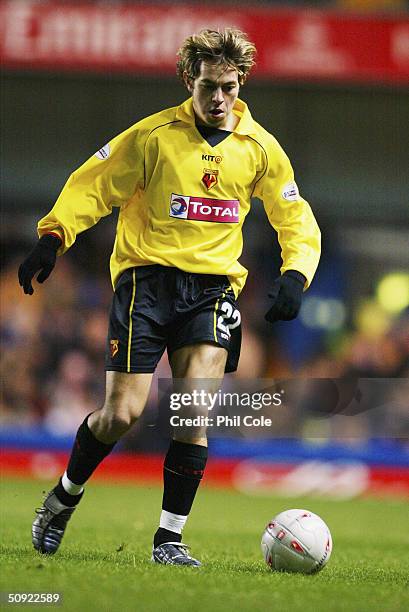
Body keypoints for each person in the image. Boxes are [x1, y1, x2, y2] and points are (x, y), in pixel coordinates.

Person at [18, 28, 321, 566]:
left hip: (213, 290)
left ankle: (169, 540)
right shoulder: (154, 136)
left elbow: (294, 216)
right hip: (147, 283)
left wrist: (296, 273)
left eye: (228, 86)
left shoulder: (260, 148)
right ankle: (64, 496)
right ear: (189, 80)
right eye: (208, 85)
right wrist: (52, 236)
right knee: (122, 414)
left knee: (191, 412)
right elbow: (94, 184)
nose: (218, 98)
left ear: (241, 81)